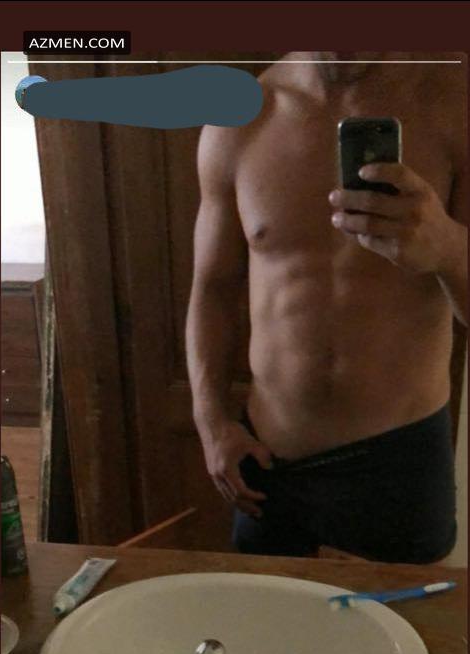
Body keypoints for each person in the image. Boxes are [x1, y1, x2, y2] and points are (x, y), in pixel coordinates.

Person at [186, 52, 467, 562]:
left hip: (397, 460)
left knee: (410, 615)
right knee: (263, 611)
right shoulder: (242, 116)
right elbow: (213, 289)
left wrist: (448, 248)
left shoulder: (456, 104)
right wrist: (212, 422)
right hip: (269, 459)